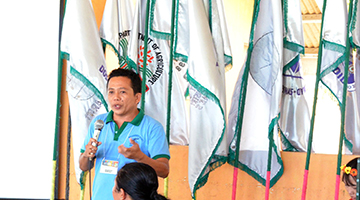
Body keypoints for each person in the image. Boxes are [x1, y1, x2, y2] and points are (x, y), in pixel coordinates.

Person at [79, 68, 170, 200]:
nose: (116, 97)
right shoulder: (98, 123)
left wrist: (140, 157)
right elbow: (83, 166)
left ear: (137, 97)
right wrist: (86, 155)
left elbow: (164, 171)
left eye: (122, 92)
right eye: (111, 92)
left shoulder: (153, 127)